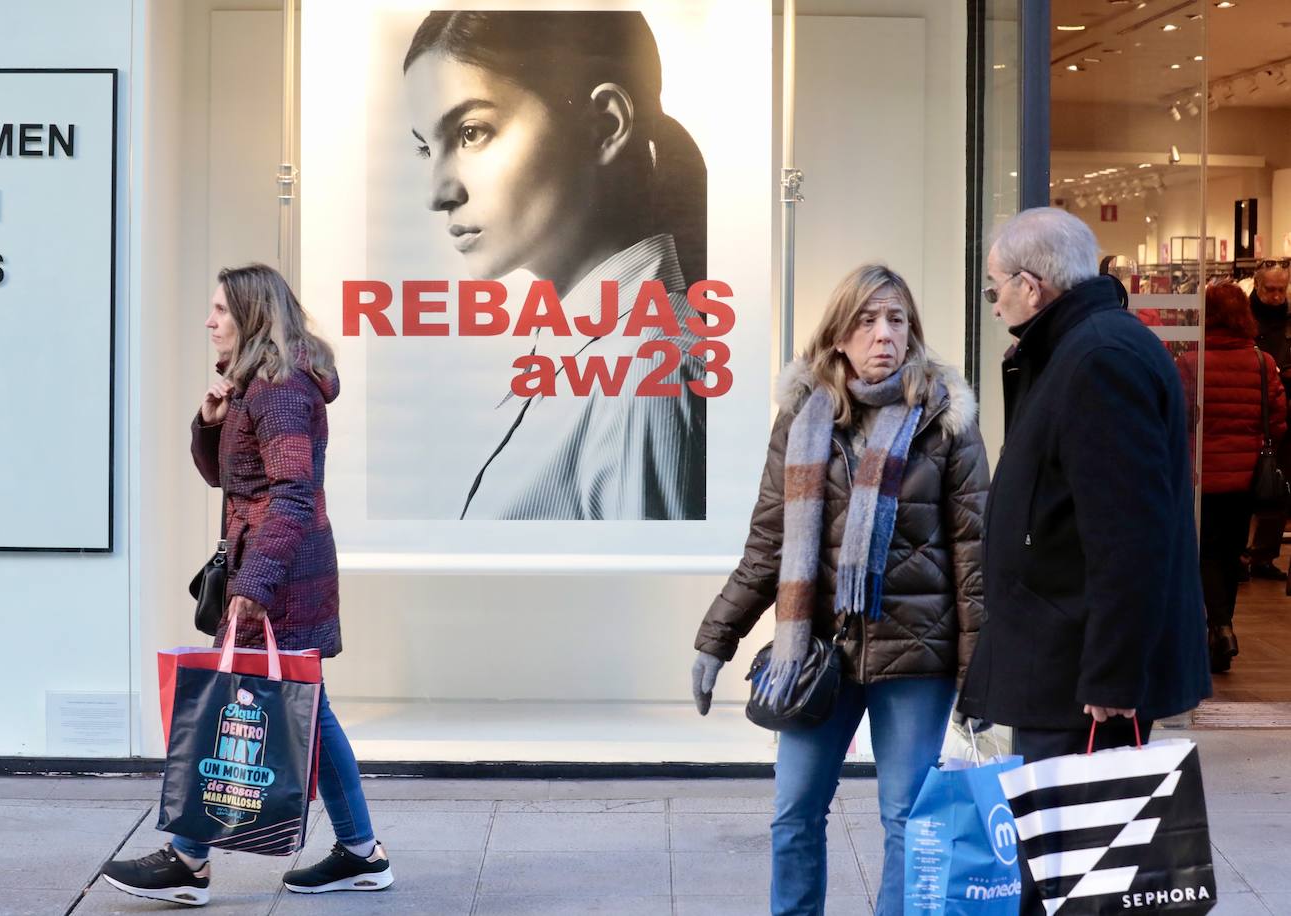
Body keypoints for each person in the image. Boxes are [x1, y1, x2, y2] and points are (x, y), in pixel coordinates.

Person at [691, 264, 989, 916]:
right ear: (837, 333)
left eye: (897, 320)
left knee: (907, 820)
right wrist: (716, 638)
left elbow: (974, 559)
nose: (884, 334)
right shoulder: (803, 418)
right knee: (794, 811)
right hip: (817, 655)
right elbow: (769, 545)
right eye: (867, 319)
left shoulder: (943, 417)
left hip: (918, 656)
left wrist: (981, 674)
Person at [100, 265, 393, 905]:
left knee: (244, 704)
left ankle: (190, 860)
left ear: (253, 316)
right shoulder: (256, 386)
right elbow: (232, 481)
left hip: (279, 578)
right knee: (305, 710)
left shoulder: (281, 390)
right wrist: (211, 422)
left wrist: (255, 584)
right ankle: (360, 851)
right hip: (274, 570)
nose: (208, 321)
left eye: (219, 311)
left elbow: (293, 495)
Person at [956, 208, 1211, 914]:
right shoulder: (1078, 349)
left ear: (1032, 286)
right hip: (1062, 656)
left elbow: (1129, 534)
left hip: (1081, 675)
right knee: (1067, 869)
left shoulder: (1097, 358)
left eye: (995, 287)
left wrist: (1113, 675)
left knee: (1078, 877)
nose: (995, 300)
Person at [402, 11, 707, 520]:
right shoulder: (590, 355)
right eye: (425, 147)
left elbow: (647, 595)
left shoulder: (647, 370)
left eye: (471, 131)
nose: (438, 193)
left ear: (605, 125)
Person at [1178, 282, 1286, 672]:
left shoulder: (1191, 362)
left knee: (1205, 551)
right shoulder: (1262, 362)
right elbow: (1277, 418)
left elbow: (1179, 417)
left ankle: (1219, 628)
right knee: (1231, 553)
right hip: (1246, 477)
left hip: (1201, 475)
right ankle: (1223, 630)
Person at [1246, 262, 1291, 579]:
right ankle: (1240, 554)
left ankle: (1264, 555)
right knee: (1247, 486)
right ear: (1257, 287)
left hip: (1285, 411)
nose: (1276, 296)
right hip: (1251, 410)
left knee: (1279, 485)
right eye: (1270, 289)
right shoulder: (1244, 318)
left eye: (1281, 290)